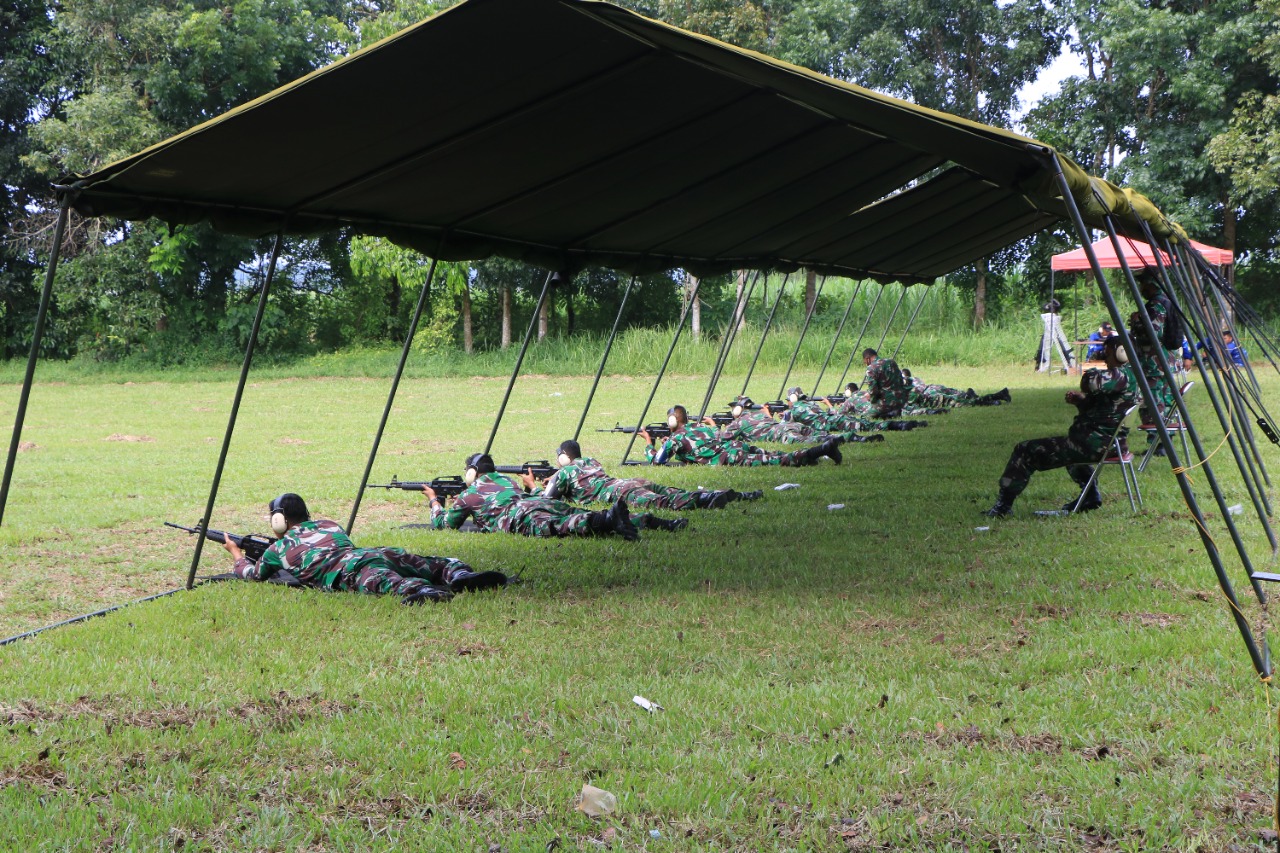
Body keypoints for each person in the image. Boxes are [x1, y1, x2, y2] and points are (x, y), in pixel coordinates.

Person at [224, 493, 504, 605]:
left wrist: (237, 555)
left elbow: (254, 574)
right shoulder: (329, 524)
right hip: (373, 552)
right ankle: (458, 575)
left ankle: (423, 590)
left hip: (348, 569)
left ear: (278, 520)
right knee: (431, 563)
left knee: (391, 583)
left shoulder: (279, 549)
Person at [984, 336, 1136, 517]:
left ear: (1121, 353)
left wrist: (1089, 371)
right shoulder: (1132, 375)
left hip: (1094, 444)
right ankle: (1089, 496)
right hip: (1110, 442)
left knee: (1024, 450)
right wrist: (1081, 402)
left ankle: (1002, 506)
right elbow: (1107, 409)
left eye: (1108, 354)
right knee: (1066, 445)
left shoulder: (1122, 375)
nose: (1104, 358)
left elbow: (1091, 382)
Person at [425, 452, 673, 539]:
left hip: (520, 516)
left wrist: (434, 501)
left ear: (472, 473)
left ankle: (608, 521)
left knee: (563, 526)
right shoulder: (506, 480)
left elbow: (445, 524)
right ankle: (643, 519)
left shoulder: (470, 494)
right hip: (536, 501)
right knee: (579, 513)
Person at [542, 439, 762, 509]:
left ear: (563, 458)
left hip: (620, 491)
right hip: (627, 482)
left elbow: (547, 501)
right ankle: (734, 494)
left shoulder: (565, 473)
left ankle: (706, 499)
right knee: (673, 492)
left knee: (664, 503)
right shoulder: (590, 461)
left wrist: (536, 485)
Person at [641, 405, 842, 466]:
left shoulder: (676, 439)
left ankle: (821, 450)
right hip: (736, 447)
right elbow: (713, 435)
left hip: (729, 457)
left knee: (777, 460)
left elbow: (658, 461)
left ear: (671, 422)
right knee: (773, 454)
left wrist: (649, 445)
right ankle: (814, 454)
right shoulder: (701, 427)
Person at [719, 396, 883, 444]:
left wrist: (714, 425)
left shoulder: (738, 423)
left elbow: (722, 439)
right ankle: (855, 436)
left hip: (782, 432)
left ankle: (854, 438)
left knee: (814, 440)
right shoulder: (761, 414)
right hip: (791, 425)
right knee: (822, 434)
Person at [900, 369, 1010, 408]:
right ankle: (997, 396)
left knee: (960, 400)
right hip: (932, 388)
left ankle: (991, 399)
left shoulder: (906, 382)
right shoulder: (913, 379)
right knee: (961, 397)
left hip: (930, 392)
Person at [856, 348, 911, 417]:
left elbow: (873, 391)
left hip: (886, 403)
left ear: (867, 359)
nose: (866, 364)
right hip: (901, 400)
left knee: (864, 416)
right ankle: (894, 412)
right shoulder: (891, 362)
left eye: (865, 362)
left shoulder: (871, 368)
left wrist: (871, 401)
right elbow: (900, 380)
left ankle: (888, 414)